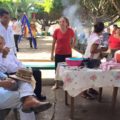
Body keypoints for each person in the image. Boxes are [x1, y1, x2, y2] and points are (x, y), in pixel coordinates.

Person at [0, 35, 46, 101]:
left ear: (4, 43)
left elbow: (17, 62)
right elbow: (3, 70)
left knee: (37, 72)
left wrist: (23, 68)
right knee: (27, 80)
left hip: (19, 71)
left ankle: (37, 95)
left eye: (1, 43)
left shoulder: (9, 52)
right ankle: (31, 98)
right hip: (10, 74)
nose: (0, 46)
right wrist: (4, 56)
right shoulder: (3, 54)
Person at [83, 22, 108, 99]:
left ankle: (90, 89)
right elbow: (92, 50)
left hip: (86, 58)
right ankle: (84, 93)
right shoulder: (97, 39)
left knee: (90, 75)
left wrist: (101, 50)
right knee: (89, 76)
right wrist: (103, 49)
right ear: (102, 29)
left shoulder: (93, 35)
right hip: (91, 60)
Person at [51, 16, 76, 90]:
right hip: (58, 53)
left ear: (66, 23)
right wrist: (51, 54)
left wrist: (72, 46)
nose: (61, 23)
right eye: (60, 22)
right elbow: (53, 43)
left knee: (68, 69)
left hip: (68, 54)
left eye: (63, 21)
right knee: (57, 69)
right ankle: (57, 84)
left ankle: (66, 83)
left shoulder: (70, 31)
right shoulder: (56, 31)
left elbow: (75, 38)